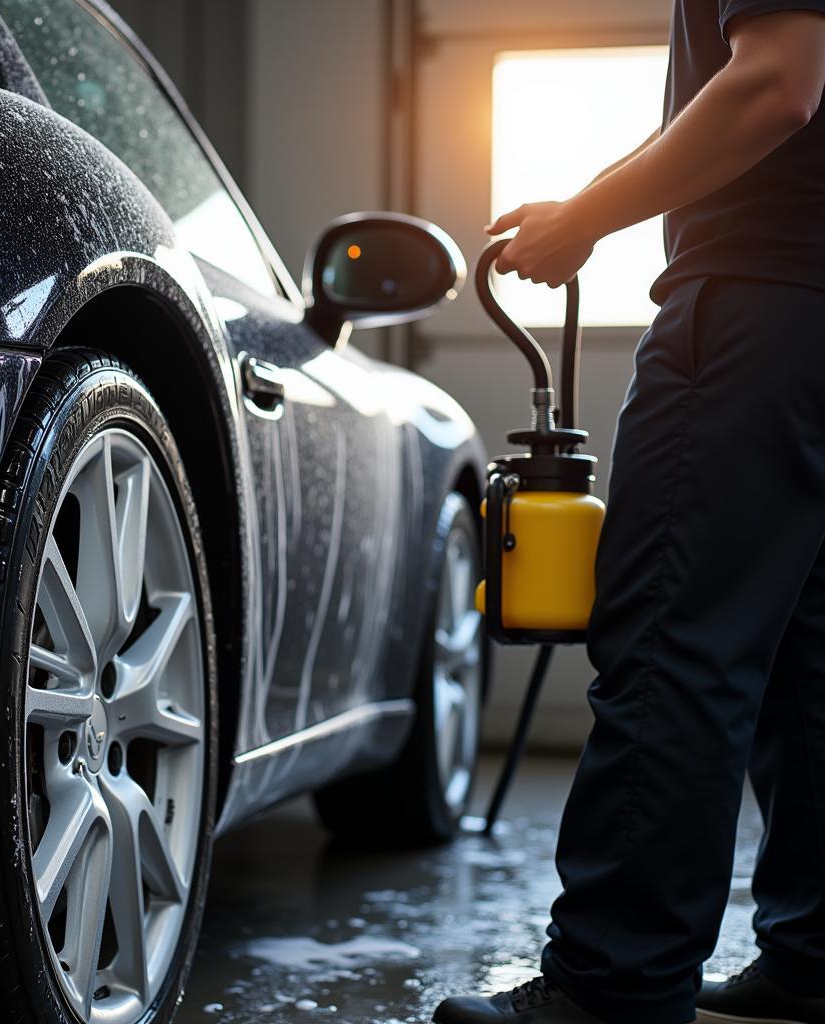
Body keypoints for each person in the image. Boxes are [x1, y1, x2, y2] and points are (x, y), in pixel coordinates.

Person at [433, 3, 825, 1024]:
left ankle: (616, 979)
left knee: (669, 640)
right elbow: (731, 95)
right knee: (805, 656)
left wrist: (589, 219)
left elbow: (776, 84)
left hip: (751, 307)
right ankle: (819, 955)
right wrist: (589, 201)